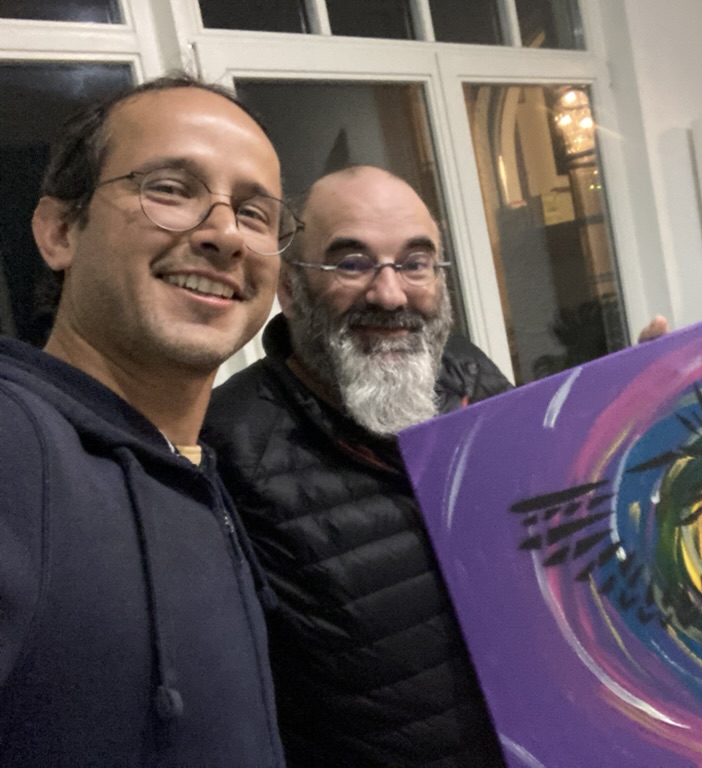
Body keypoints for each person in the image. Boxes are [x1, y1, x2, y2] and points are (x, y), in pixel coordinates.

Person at [203, 165, 669, 766]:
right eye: (352, 263)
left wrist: (628, 446)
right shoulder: (228, 449)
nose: (390, 294)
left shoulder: (469, 373)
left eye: (416, 263)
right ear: (291, 290)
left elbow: (554, 541)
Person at [0, 74, 297, 766]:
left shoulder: (190, 468)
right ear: (59, 232)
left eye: (254, 213)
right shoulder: (15, 447)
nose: (224, 234)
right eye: (170, 189)